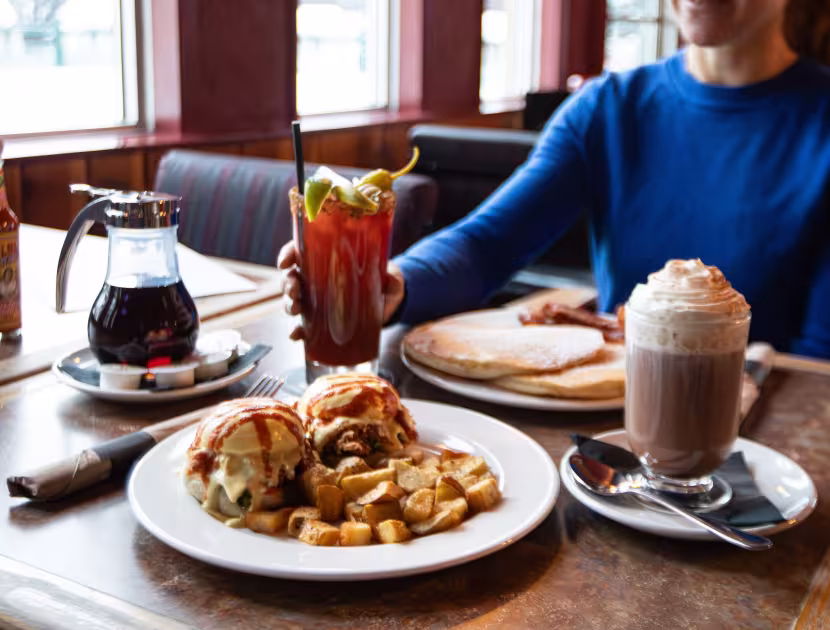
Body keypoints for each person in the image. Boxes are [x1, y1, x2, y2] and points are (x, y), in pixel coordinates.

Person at [280, 0, 830, 359]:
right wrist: (392, 285)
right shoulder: (608, 108)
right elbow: (487, 244)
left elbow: (817, 363)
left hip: (761, 455)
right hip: (607, 440)